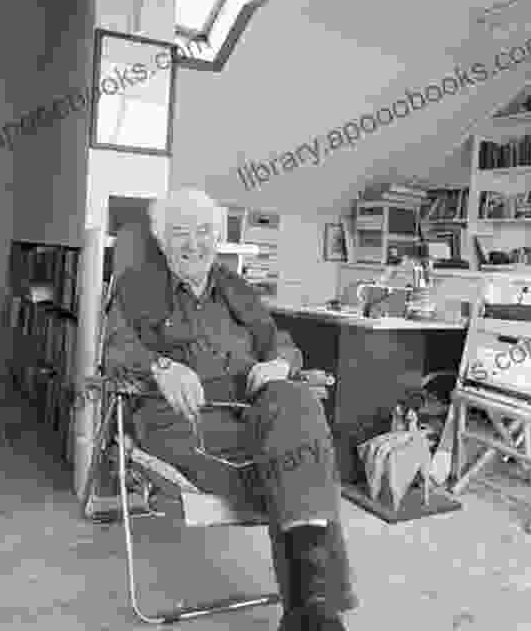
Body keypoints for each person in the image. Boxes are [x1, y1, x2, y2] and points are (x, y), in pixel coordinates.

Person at [102, 187, 358, 630]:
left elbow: (279, 340)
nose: (193, 243)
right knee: (305, 466)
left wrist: (279, 363)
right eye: (180, 233)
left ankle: (308, 611)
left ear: (216, 238)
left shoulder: (235, 287)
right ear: (161, 241)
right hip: (186, 417)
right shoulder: (136, 286)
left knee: (295, 400)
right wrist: (161, 365)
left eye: (203, 232)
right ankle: (314, 611)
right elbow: (115, 348)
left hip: (254, 408)